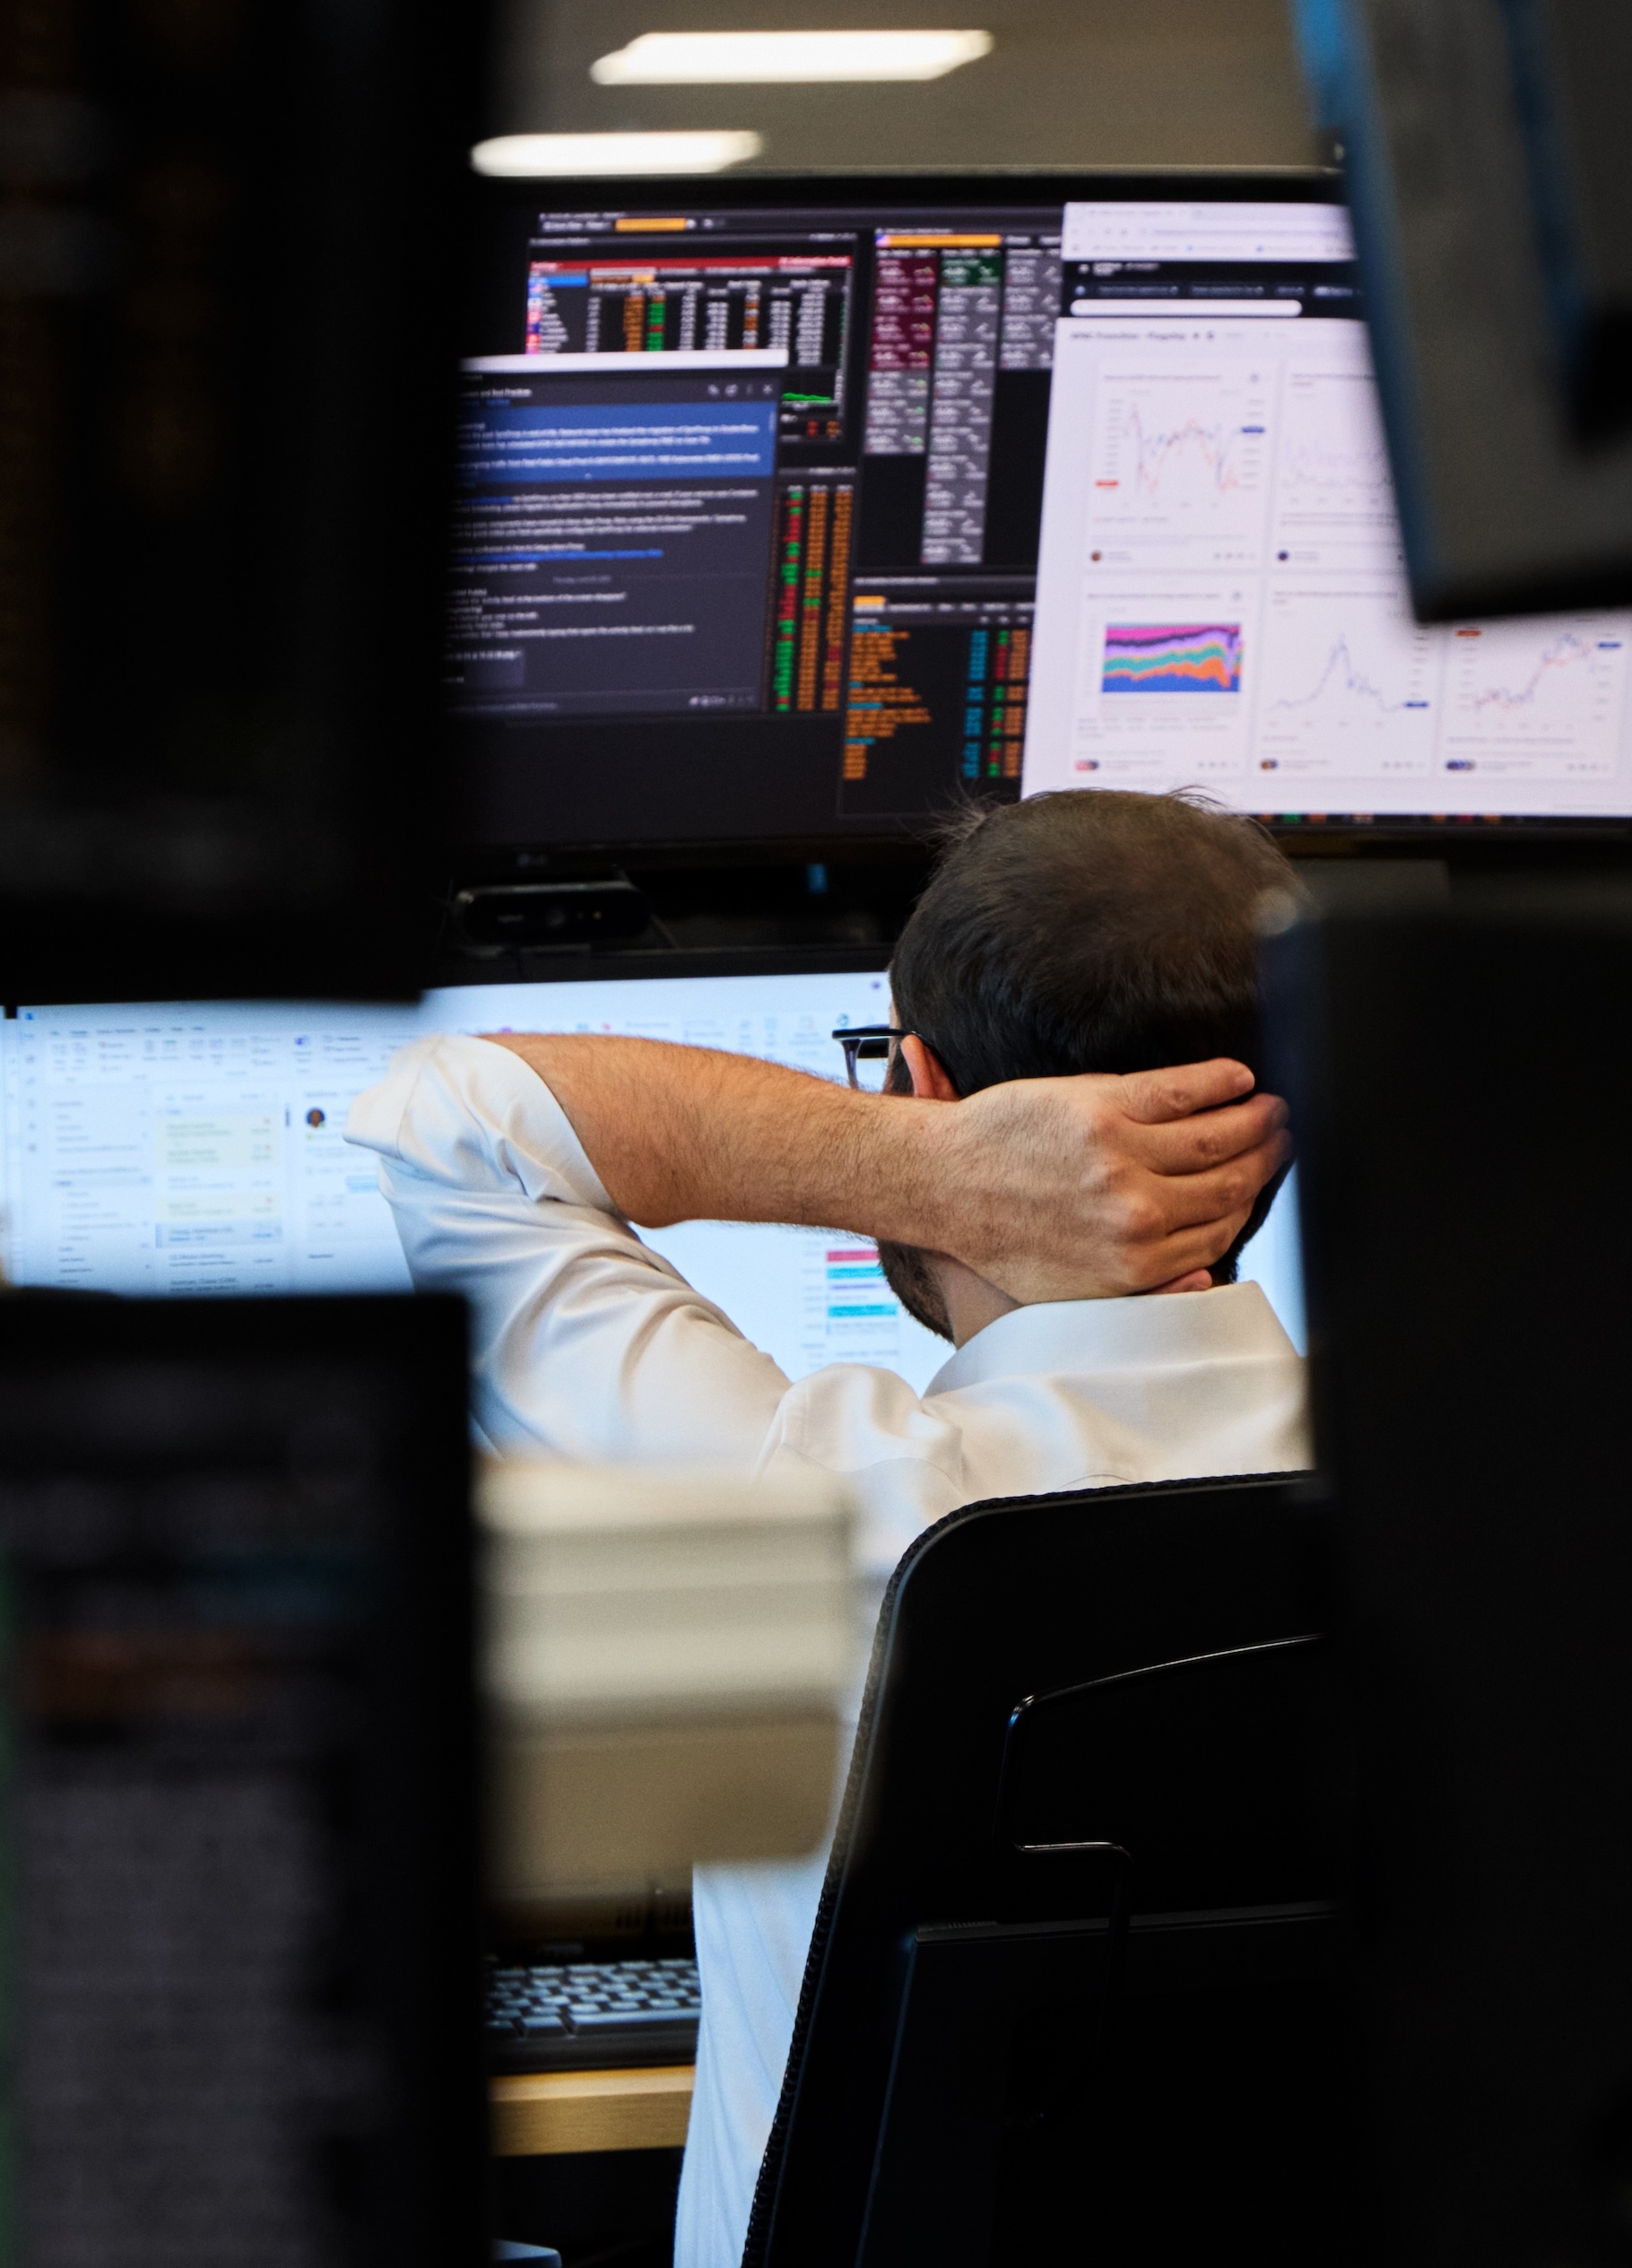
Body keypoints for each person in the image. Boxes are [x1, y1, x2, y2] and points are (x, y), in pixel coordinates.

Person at [345, 788, 1314, 2268]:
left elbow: (447, 1119)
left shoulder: (806, 1499)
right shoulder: (1472, 1508)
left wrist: (924, 1166)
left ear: (924, 1083)